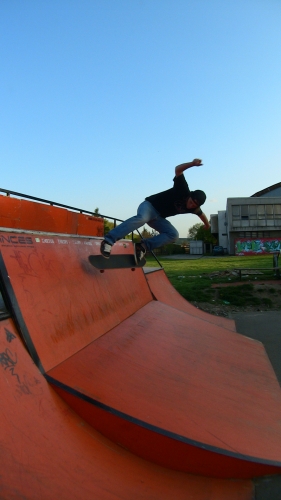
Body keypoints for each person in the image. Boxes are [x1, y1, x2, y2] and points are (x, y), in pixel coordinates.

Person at [100, 159, 210, 262]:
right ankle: (108, 240)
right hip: (149, 206)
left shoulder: (194, 208)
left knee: (173, 234)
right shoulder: (183, 189)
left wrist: (207, 225)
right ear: (189, 196)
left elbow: (202, 215)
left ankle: (142, 247)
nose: (190, 206)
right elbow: (178, 169)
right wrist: (192, 164)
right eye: (191, 202)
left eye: (194, 205)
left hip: (158, 218)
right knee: (142, 218)